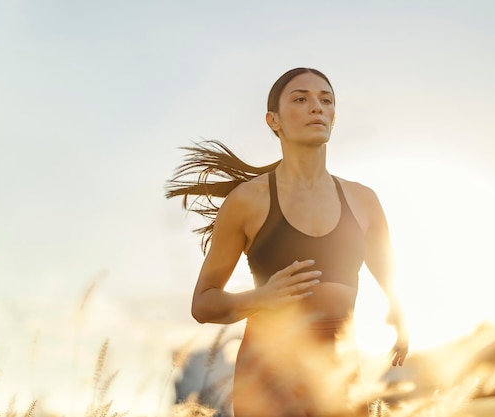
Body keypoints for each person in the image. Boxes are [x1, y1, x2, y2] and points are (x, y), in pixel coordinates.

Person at [167, 67, 409, 417]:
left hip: (339, 370)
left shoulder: (363, 200)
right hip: (267, 374)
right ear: (273, 120)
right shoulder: (248, 201)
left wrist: (399, 312)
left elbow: (387, 270)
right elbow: (203, 304)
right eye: (301, 99)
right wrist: (260, 298)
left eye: (326, 100)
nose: (317, 108)